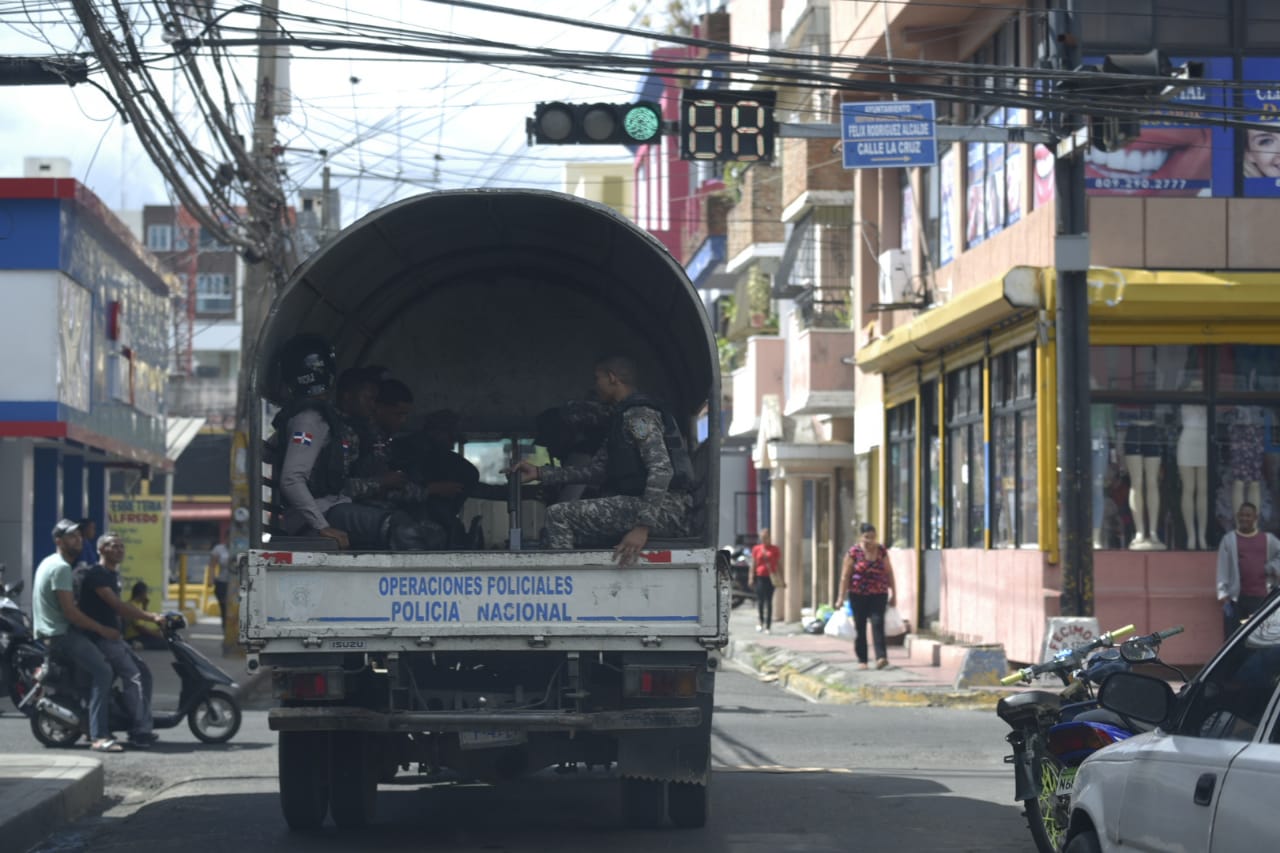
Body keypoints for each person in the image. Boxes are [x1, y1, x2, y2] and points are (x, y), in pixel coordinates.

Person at [511, 355, 694, 565]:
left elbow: (661, 469)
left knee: (558, 515)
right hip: (645, 507)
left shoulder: (639, 415)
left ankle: (565, 586)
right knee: (556, 533)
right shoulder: (621, 417)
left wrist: (642, 528)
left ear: (612, 377)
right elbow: (597, 471)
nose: (595, 385)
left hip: (666, 509)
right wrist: (542, 473)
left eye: (597, 378)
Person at [269, 333, 434, 550]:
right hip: (318, 515)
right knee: (400, 528)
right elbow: (291, 479)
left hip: (332, 507)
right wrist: (322, 526)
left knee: (411, 521)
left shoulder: (321, 419)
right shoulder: (309, 421)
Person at [32, 519, 121, 752]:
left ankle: (88, 721)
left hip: (52, 634)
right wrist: (103, 629)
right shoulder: (61, 567)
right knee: (104, 672)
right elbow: (71, 613)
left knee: (89, 675)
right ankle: (99, 736)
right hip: (62, 635)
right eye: (72, 537)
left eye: (79, 536)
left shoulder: (48, 562)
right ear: (59, 541)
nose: (78, 540)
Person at [76, 531, 165, 748]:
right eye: (112, 546)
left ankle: (140, 724)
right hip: (102, 638)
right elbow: (116, 605)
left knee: (144, 674)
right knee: (133, 677)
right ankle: (139, 730)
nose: (118, 549)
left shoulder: (112, 575)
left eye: (120, 546)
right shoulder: (97, 574)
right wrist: (150, 616)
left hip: (115, 638)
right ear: (100, 550)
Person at [834, 522, 898, 671]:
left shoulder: (881, 551)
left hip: (879, 594)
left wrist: (894, 594)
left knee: (878, 623)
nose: (870, 541)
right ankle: (862, 659)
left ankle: (881, 657)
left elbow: (889, 573)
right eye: (866, 537)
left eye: (873, 537)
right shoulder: (853, 552)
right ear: (861, 537)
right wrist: (840, 597)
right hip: (858, 595)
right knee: (860, 627)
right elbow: (845, 576)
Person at [1215, 501, 1280, 640]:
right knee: (1235, 640)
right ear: (1237, 516)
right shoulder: (1229, 540)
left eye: (1248, 515)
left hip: (1262, 600)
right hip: (1237, 600)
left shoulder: (1268, 539)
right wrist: (1224, 596)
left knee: (1261, 639)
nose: (1244, 518)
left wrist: (1271, 567)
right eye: (1242, 515)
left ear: (1255, 517)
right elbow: (1222, 569)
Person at [750, 528, 783, 634]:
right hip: (760, 577)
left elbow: (778, 565)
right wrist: (751, 577)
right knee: (760, 601)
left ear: (769, 538)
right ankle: (760, 622)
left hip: (771, 578)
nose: (764, 540)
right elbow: (753, 564)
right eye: (762, 538)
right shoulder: (756, 549)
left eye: (766, 537)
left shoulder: (775, 549)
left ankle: (768, 626)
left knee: (769, 601)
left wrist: (782, 578)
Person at [123, 581, 168, 651]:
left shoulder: (137, 605)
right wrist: (157, 635)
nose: (146, 595)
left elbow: (144, 620)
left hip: (138, 635)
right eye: (146, 593)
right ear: (142, 593)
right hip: (133, 637)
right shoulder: (132, 606)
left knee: (162, 637)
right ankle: (140, 645)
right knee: (164, 643)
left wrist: (145, 606)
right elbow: (140, 628)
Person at [208, 538, 231, 633]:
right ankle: (226, 631)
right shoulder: (219, 549)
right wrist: (211, 579)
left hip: (238, 583)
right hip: (223, 582)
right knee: (224, 608)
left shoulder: (242, 547)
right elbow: (212, 565)